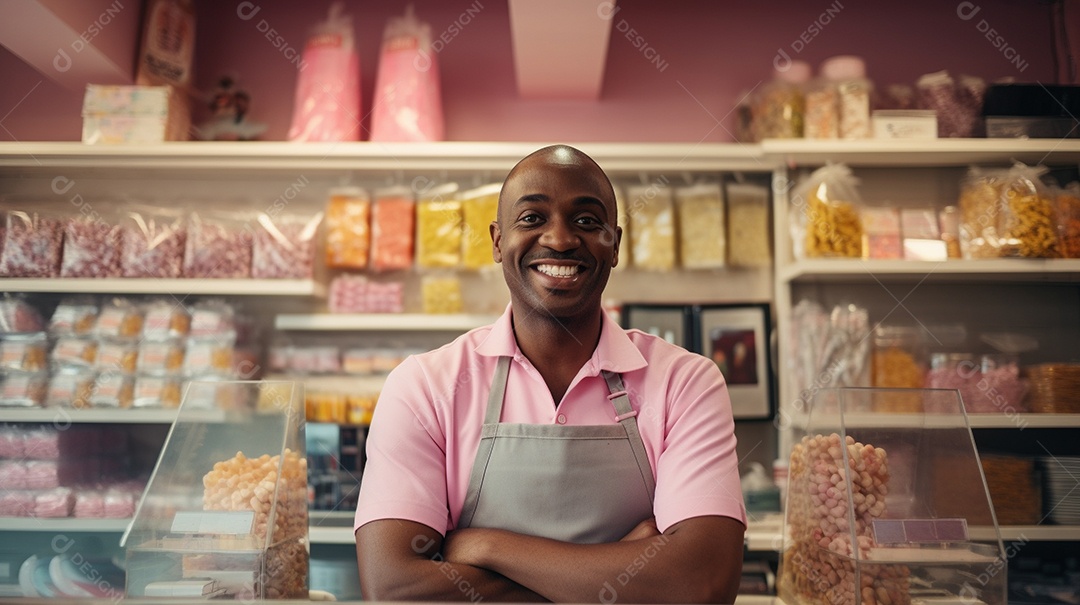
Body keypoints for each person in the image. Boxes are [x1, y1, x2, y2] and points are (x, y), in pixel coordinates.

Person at [354, 145, 746, 603]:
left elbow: (703, 582)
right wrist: (619, 565)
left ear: (614, 244)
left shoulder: (686, 382)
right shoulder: (424, 386)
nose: (559, 239)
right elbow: (394, 588)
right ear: (498, 241)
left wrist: (484, 546)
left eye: (586, 221)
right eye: (531, 219)